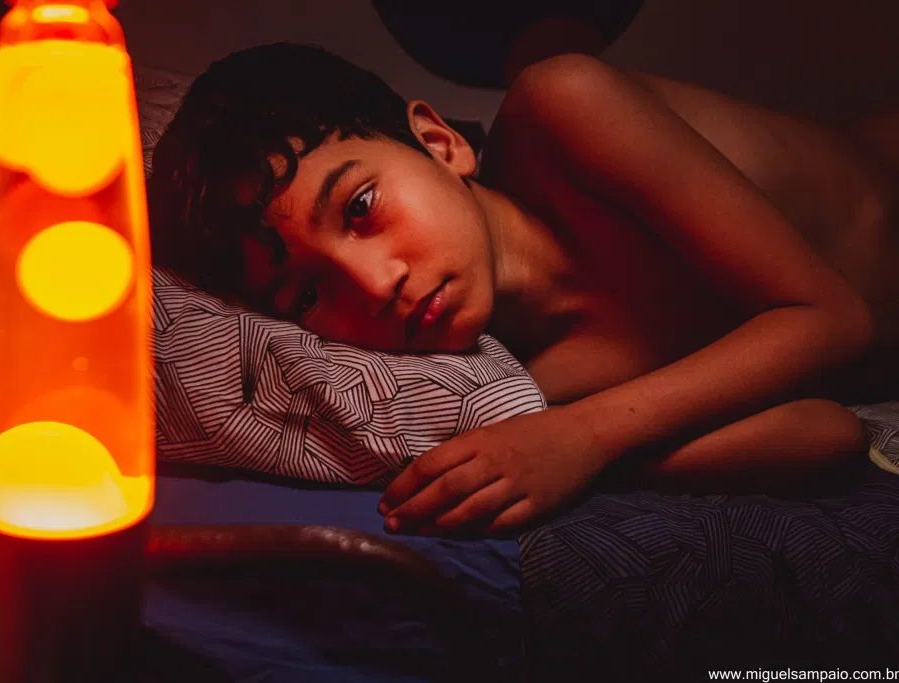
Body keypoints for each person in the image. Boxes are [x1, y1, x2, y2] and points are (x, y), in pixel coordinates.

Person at [148, 43, 899, 537]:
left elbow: (834, 318)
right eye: (306, 297)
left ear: (441, 142)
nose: (375, 285)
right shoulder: (532, 392)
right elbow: (828, 432)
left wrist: (583, 437)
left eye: (361, 208)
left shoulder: (565, 105)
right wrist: (575, 449)